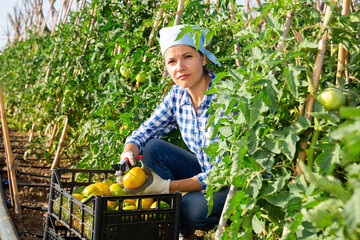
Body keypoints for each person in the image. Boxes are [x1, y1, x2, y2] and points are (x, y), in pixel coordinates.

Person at [119, 24, 231, 240]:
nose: (180, 67)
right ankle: (183, 235)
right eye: (172, 61)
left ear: (203, 59)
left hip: (234, 180)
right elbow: (146, 131)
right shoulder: (177, 95)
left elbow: (222, 173)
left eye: (187, 57)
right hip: (204, 168)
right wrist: (129, 153)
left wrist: (166, 187)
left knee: (191, 208)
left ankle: (187, 216)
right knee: (152, 147)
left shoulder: (224, 98)